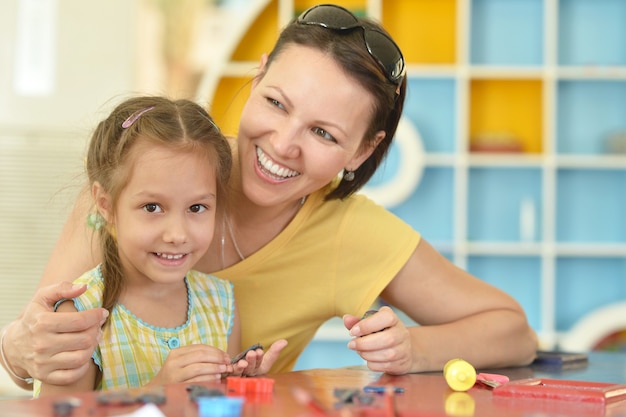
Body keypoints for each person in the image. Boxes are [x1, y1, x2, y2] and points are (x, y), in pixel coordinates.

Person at [1, 4, 537, 389]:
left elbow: (513, 331)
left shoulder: (352, 233)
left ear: (364, 150)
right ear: (256, 77)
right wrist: (16, 349)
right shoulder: (142, 179)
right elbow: (44, 359)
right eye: (277, 103)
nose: (284, 145)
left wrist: (413, 349)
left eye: (324, 134)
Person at [34, 96, 284, 396]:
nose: (177, 234)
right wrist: (157, 392)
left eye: (196, 208)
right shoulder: (79, 315)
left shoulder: (222, 302)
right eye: (152, 207)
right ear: (106, 204)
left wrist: (238, 387)